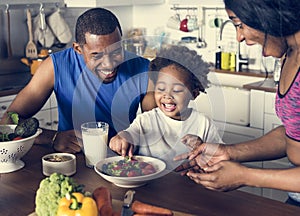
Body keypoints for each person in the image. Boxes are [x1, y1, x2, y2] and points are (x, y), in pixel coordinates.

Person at [174, 0, 300, 206]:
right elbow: (292, 133)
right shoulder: (290, 55)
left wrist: (246, 176)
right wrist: (229, 152)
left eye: (239, 24)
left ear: (264, 12)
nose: (239, 37)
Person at [0, 8, 156, 154]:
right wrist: (52, 138)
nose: (109, 64)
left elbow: (157, 125)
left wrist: (134, 135)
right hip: (71, 160)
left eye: (116, 51)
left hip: (122, 160)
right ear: (78, 49)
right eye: (97, 55)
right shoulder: (55, 67)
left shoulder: (144, 69)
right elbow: (8, 121)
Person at [109, 45, 224, 169]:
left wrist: (202, 147)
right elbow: (130, 134)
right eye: (161, 89)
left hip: (188, 185)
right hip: (151, 185)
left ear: (194, 94)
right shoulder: (146, 120)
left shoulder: (203, 124)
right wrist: (122, 137)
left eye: (177, 90)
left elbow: (220, 160)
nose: (167, 96)